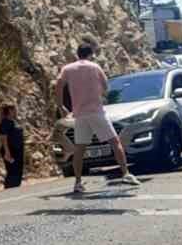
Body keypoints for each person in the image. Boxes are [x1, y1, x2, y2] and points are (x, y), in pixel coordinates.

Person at [52, 43, 139, 196]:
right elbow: (106, 87)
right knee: (115, 142)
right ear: (90, 54)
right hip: (96, 111)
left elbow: (58, 84)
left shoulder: (67, 69)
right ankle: (125, 173)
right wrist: (98, 92)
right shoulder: (95, 67)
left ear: (78, 54)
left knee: (80, 149)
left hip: (80, 114)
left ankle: (78, 182)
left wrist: (60, 106)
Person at [0, 101, 25, 188]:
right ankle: (9, 190)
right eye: (15, 109)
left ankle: (15, 189)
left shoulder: (13, 121)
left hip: (18, 150)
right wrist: (7, 152)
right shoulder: (5, 122)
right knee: (13, 172)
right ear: (10, 110)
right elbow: (3, 138)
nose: (16, 111)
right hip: (11, 150)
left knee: (18, 172)